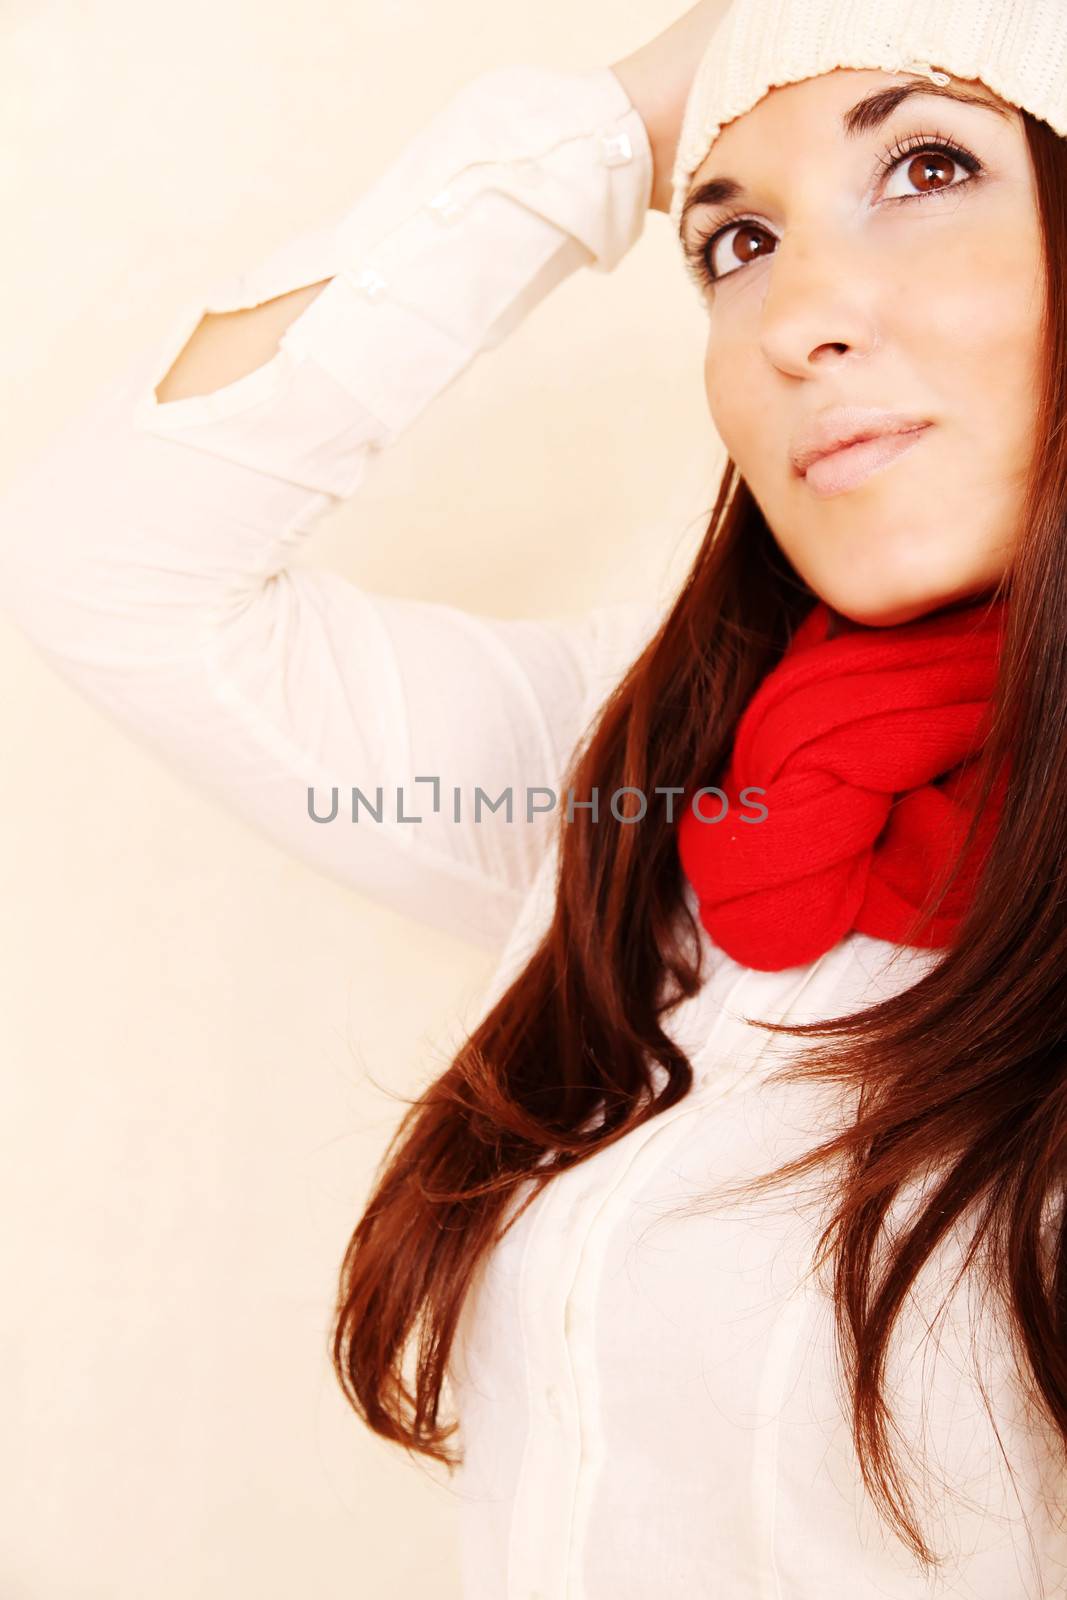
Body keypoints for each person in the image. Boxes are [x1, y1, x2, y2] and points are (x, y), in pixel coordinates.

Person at [3, 0, 1067, 1594]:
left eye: (928, 165)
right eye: (737, 241)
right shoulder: (635, 776)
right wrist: (628, 124)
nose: (799, 318)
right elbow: (111, 567)